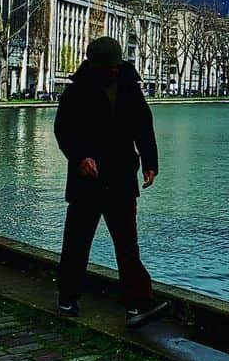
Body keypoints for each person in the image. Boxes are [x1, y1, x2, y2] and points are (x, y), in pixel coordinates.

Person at [53, 36, 169, 329]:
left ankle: (137, 304)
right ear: (95, 66)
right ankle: (67, 297)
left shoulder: (130, 87)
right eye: (108, 67)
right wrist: (80, 157)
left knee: (128, 244)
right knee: (78, 241)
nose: (114, 71)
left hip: (120, 176)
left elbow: (143, 125)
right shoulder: (76, 91)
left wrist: (150, 163)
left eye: (116, 66)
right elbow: (64, 130)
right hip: (86, 179)